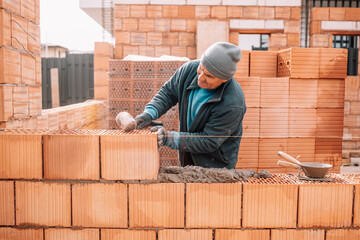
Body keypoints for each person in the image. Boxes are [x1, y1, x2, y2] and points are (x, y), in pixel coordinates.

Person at [133, 42, 246, 169]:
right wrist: (149, 113)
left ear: (224, 79)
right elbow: (168, 93)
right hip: (188, 155)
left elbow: (209, 140)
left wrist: (170, 138)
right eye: (201, 68)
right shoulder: (189, 70)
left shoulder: (232, 103)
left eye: (209, 76)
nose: (201, 77)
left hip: (215, 164)